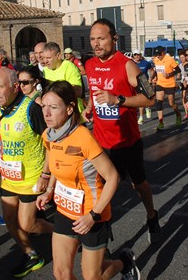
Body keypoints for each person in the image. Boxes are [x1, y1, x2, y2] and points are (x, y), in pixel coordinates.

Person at [36, 81, 140, 280]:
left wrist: (93, 215)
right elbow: (56, 160)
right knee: (61, 274)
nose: (46, 113)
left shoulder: (83, 138)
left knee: (93, 277)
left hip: (92, 214)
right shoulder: (48, 135)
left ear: (69, 109)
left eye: (54, 107)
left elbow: (112, 177)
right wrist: (49, 188)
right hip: (65, 210)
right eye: (44, 107)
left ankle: (124, 263)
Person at [83, 18, 161, 244]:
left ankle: (151, 215)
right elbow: (94, 93)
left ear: (114, 39)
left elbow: (150, 99)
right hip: (100, 142)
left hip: (127, 141)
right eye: (92, 39)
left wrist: (118, 99)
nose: (96, 44)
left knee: (139, 184)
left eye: (101, 38)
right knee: (100, 188)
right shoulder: (89, 65)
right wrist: (90, 107)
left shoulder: (127, 65)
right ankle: (100, 237)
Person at [0, 68, 52, 277]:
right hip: (8, 178)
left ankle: (66, 232)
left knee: (28, 224)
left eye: (0, 87)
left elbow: (51, 143)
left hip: (31, 178)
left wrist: (46, 175)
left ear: (14, 86)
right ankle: (31, 255)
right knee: (10, 221)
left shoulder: (31, 109)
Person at [42, 42, 84, 113]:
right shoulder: (45, 70)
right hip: (56, 113)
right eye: (44, 58)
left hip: (73, 114)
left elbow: (78, 91)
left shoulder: (69, 67)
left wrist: (57, 89)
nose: (45, 61)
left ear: (58, 56)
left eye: (48, 58)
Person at [152, 46, 182, 130]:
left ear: (163, 53)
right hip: (160, 83)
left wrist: (169, 74)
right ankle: (160, 123)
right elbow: (156, 70)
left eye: (159, 54)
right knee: (159, 102)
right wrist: (153, 77)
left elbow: (178, 70)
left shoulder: (169, 59)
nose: (158, 56)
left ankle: (178, 114)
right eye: (156, 55)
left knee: (171, 103)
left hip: (169, 84)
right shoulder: (156, 60)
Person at [132, 50, 153, 124]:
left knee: (148, 98)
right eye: (135, 55)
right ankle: (141, 117)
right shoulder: (132, 63)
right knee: (141, 101)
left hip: (145, 82)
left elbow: (152, 70)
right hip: (137, 83)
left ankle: (148, 107)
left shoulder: (146, 63)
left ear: (140, 55)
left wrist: (151, 78)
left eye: (138, 55)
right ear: (133, 56)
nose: (137, 56)